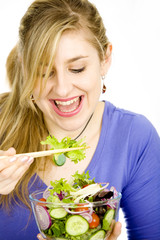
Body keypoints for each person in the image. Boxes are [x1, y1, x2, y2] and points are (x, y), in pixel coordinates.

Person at [0, 0, 160, 239]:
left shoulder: (134, 136)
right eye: (44, 73)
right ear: (25, 69)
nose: (63, 90)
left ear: (105, 60)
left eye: (77, 69)